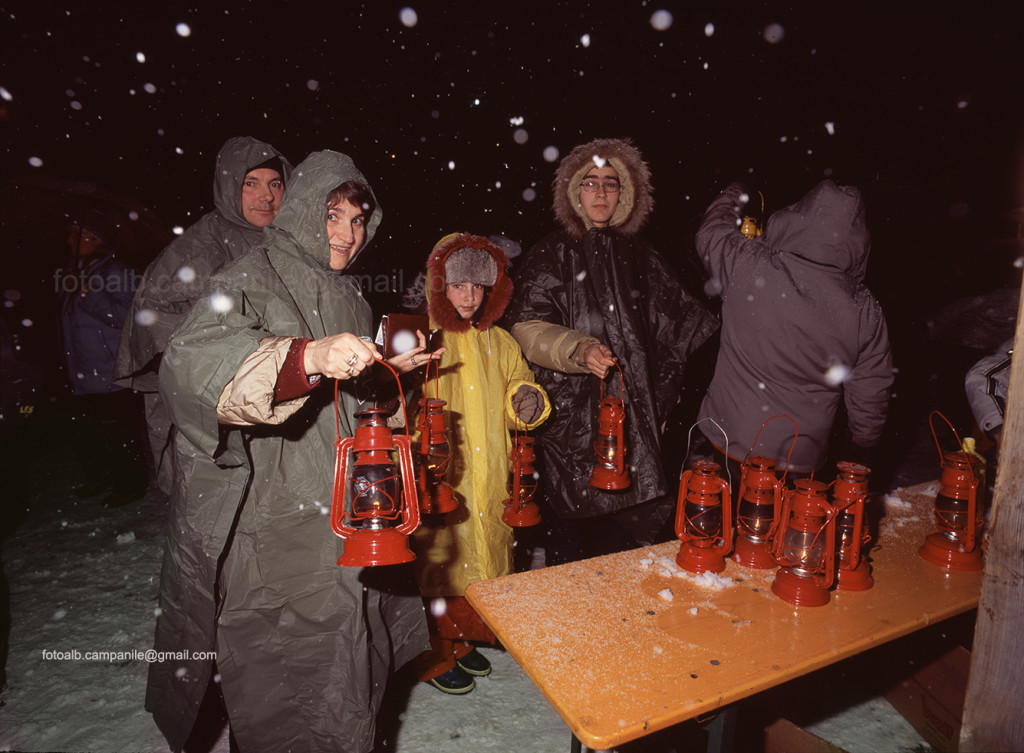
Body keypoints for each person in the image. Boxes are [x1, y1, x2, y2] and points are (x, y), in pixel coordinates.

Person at [145, 150, 438, 753]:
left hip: (348, 509)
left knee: (355, 668)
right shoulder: (251, 276)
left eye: (358, 220)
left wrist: (388, 373)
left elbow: (347, 395)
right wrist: (303, 358)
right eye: (332, 214)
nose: (346, 233)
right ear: (303, 211)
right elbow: (197, 365)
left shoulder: (349, 294)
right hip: (279, 524)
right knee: (297, 689)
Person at [505, 137, 718, 565]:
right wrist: (578, 351)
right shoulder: (551, 253)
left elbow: (679, 330)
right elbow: (526, 329)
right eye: (590, 182)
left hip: (632, 423)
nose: (600, 193)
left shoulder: (643, 257)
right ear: (573, 192)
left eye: (610, 183)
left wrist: (661, 395)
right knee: (569, 545)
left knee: (621, 550)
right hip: (569, 424)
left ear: (625, 194)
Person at [411, 232, 550, 694]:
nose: (468, 296)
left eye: (478, 286)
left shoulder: (501, 341)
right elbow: (403, 400)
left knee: (483, 564)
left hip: (489, 477)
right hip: (441, 479)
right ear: (439, 286)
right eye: (457, 285)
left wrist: (526, 400)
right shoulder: (423, 339)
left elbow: (519, 383)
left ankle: (460, 639)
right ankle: (433, 649)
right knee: (437, 567)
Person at [114, 136, 292, 493]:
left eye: (275, 183)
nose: (267, 196)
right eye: (250, 184)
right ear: (229, 187)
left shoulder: (288, 240)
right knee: (223, 506)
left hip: (282, 396)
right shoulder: (201, 245)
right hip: (217, 406)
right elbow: (153, 317)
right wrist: (234, 357)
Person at [694, 180, 894, 477]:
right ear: (859, 240)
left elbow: (710, 233)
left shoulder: (749, 265)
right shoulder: (864, 308)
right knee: (785, 524)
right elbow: (872, 388)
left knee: (701, 517)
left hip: (726, 437)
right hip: (799, 458)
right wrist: (862, 441)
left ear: (796, 217)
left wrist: (733, 194)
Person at [59, 212, 148, 507]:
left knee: (120, 433)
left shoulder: (115, 272)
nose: (69, 240)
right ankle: (100, 475)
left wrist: (86, 293)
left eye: (76, 234)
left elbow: (128, 318)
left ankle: (131, 483)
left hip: (111, 371)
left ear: (94, 238)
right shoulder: (77, 271)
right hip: (83, 371)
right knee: (87, 430)